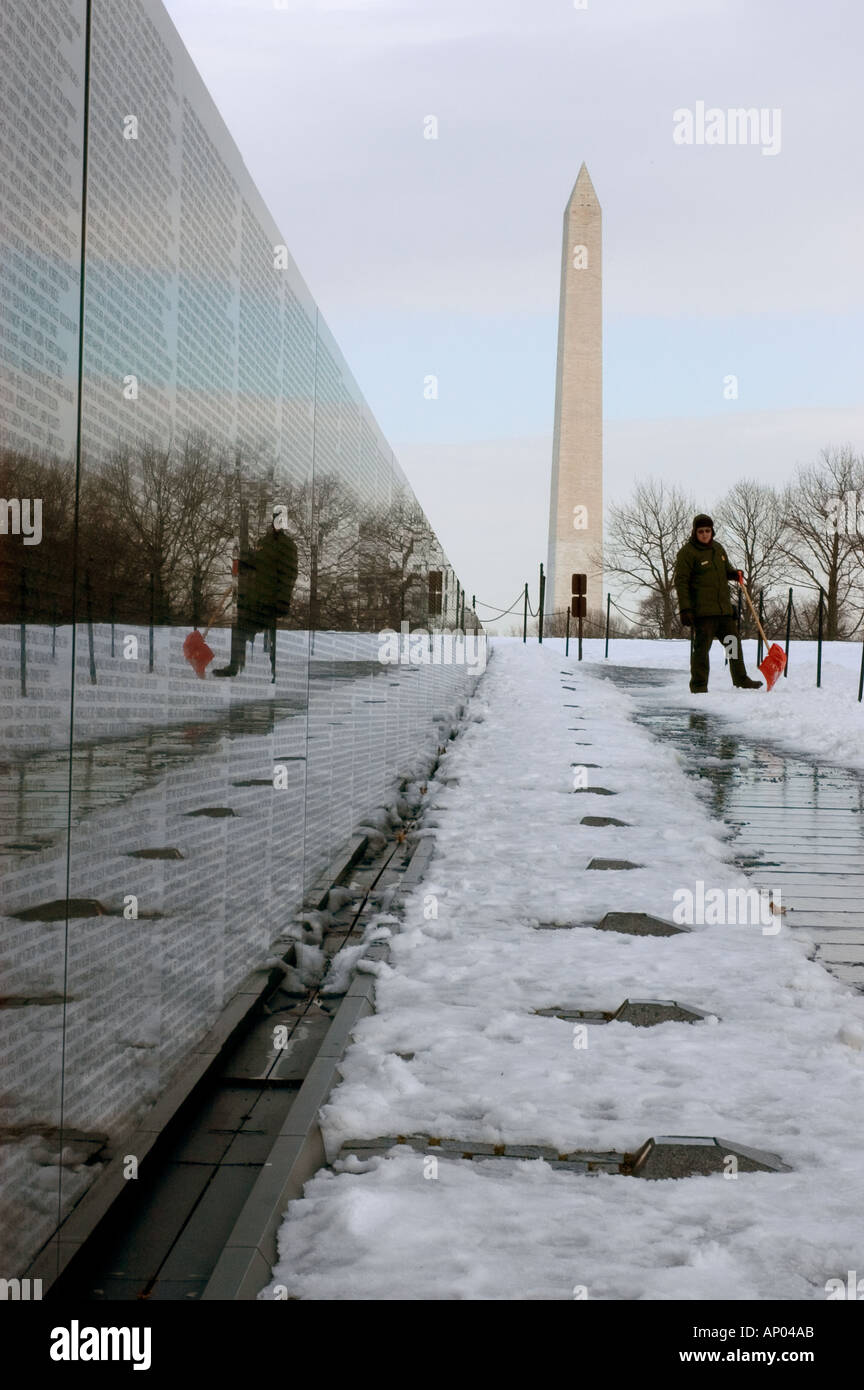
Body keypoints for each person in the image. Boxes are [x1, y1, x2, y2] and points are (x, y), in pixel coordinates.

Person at [673, 513, 762, 694]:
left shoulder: (718, 549)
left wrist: (734, 574)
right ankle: (699, 686)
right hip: (703, 613)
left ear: (712, 531)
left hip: (723, 611)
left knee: (733, 644)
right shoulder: (687, 553)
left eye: (708, 530)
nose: (705, 534)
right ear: (695, 532)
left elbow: (725, 570)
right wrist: (685, 609)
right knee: (701, 650)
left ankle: (741, 680)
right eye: (701, 531)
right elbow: (681, 582)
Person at [213, 507, 298, 677]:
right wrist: (243, 561)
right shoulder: (264, 542)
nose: (277, 523)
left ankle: (273, 670)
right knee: (239, 626)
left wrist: (282, 602)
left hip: (272, 600)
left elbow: (290, 575)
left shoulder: (288, 546)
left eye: (281, 519)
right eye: (275, 519)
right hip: (257, 598)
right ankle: (234, 666)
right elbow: (255, 562)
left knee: (256, 629)